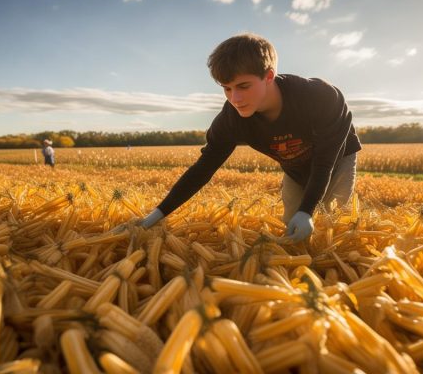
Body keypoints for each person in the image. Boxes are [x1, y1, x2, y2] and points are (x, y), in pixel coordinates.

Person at [139, 33, 362, 242]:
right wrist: (157, 214)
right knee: (292, 227)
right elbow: (203, 168)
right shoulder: (231, 119)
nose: (235, 98)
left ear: (269, 76)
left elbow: (325, 162)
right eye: (226, 88)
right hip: (294, 168)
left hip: (337, 159)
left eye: (243, 86)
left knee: (333, 222)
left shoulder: (320, 97)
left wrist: (307, 210)